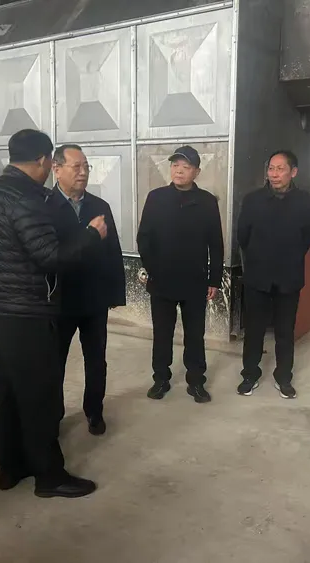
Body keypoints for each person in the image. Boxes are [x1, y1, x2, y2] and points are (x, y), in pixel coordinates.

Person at [0, 129, 107, 499]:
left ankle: (10, 466)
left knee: (6, 391)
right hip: (26, 314)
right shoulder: (28, 198)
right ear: (44, 161)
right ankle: (49, 476)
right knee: (40, 398)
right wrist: (91, 235)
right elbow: (50, 257)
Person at [136, 146, 224, 403]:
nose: (179, 171)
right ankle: (160, 380)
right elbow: (144, 238)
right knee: (162, 334)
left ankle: (196, 382)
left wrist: (214, 279)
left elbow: (216, 244)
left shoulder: (207, 202)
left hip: (195, 281)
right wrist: (153, 270)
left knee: (195, 336)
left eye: (186, 167)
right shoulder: (156, 198)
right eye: (175, 165)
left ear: (197, 171)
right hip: (161, 280)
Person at [50, 144, 126, 437]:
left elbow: (113, 251)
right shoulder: (45, 207)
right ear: (57, 169)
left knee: (96, 360)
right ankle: (53, 414)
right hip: (59, 301)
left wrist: (115, 294)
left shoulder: (99, 206)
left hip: (94, 300)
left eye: (86, 167)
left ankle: (94, 410)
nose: (82, 173)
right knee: (54, 362)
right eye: (76, 167)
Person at [236, 150, 310, 399]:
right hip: (257, 276)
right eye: (271, 168)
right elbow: (243, 236)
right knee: (254, 330)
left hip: (289, 277)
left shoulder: (304, 201)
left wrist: (288, 259)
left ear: (293, 172)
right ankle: (250, 374)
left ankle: (284, 377)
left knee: (285, 331)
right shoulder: (253, 200)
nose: (274, 174)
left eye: (280, 169)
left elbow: (306, 237)